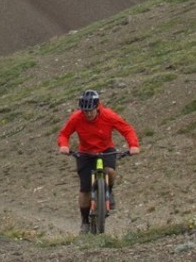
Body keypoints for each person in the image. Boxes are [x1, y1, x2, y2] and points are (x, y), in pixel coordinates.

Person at [57, 89, 140, 233]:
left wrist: (133, 145)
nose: (88, 114)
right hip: (85, 152)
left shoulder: (108, 115)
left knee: (111, 171)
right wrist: (64, 146)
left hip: (106, 149)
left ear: (97, 107)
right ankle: (85, 222)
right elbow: (64, 134)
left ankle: (109, 191)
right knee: (85, 190)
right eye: (85, 111)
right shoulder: (76, 118)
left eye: (91, 110)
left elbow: (127, 129)